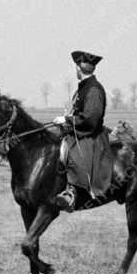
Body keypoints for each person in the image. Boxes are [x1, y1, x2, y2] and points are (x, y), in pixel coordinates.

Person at [52, 50, 110, 211]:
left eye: (76, 67)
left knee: (71, 152)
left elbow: (91, 118)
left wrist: (67, 120)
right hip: (80, 130)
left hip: (90, 134)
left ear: (78, 68)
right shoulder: (84, 87)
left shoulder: (94, 89)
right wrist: (66, 119)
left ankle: (73, 192)